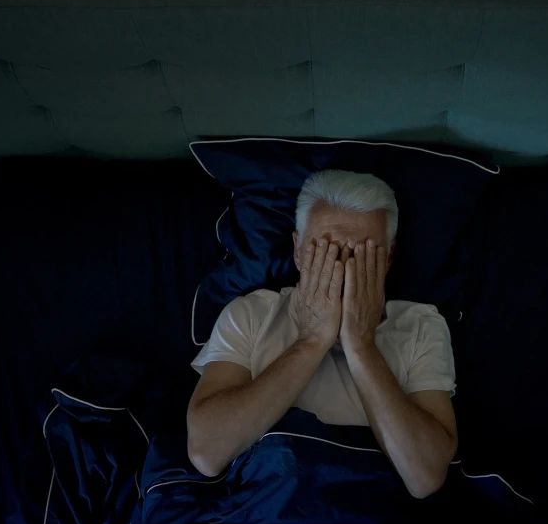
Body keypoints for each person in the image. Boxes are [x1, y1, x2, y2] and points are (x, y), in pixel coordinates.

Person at [186, 169, 457, 498]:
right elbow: (206, 453)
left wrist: (361, 346)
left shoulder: (421, 326)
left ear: (387, 258)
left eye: (362, 255)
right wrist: (311, 342)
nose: (341, 268)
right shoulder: (251, 314)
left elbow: (425, 478)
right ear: (298, 250)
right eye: (325, 251)